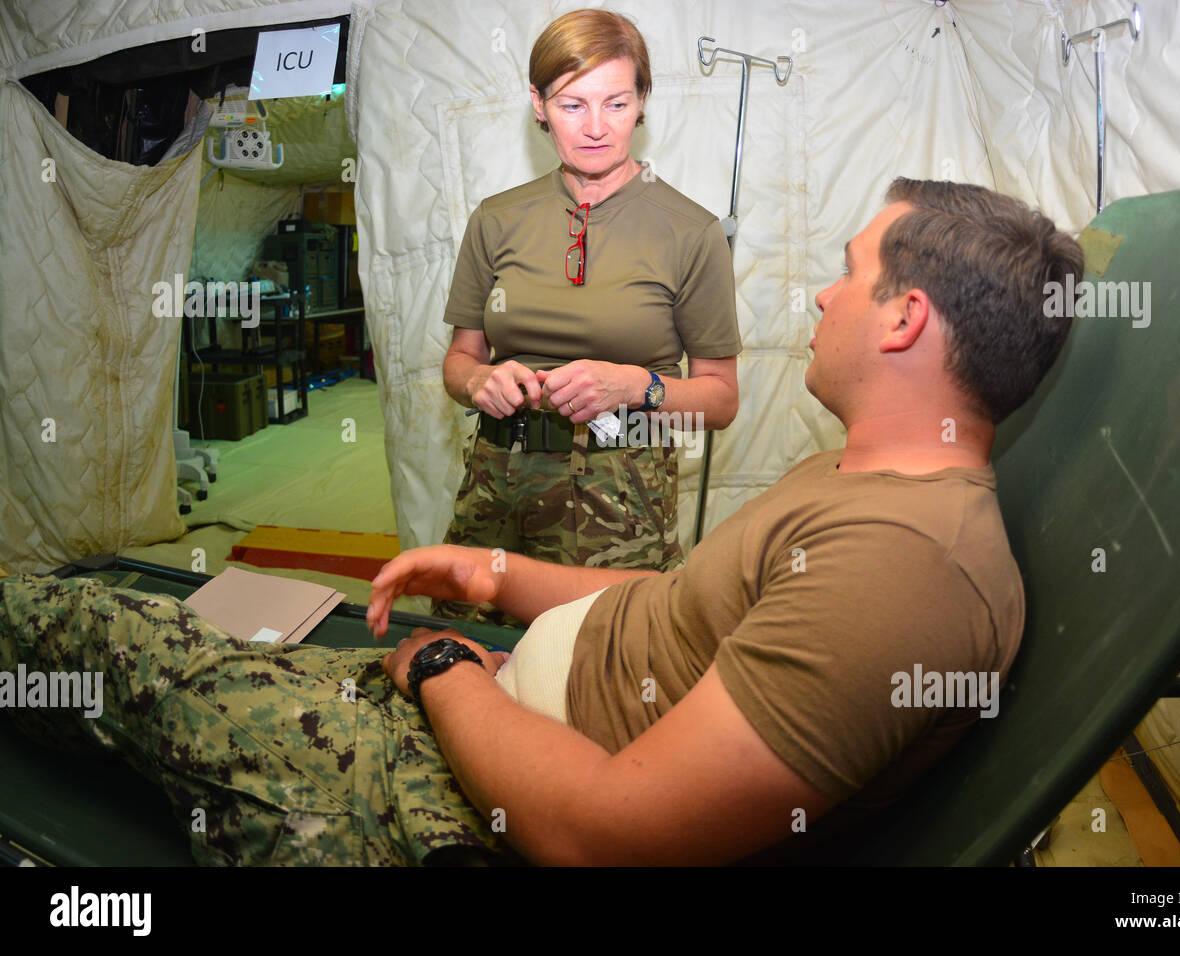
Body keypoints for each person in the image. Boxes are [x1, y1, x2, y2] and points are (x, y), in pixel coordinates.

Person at [0, 177, 1082, 865]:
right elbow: (668, 605)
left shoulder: (902, 574)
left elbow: (601, 828)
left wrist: (442, 670)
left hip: (469, 799)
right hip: (498, 705)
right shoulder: (856, 481)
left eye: (847, 275)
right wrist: (497, 574)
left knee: (116, 648)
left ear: (904, 318)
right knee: (154, 636)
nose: (819, 298)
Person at [437, 9, 741, 610]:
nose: (596, 127)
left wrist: (635, 386)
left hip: (621, 492)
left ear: (643, 101)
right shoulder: (496, 219)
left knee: (600, 670)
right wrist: (478, 381)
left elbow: (721, 399)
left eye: (616, 103)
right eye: (573, 104)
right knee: (465, 649)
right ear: (538, 104)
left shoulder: (691, 232)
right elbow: (459, 359)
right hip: (498, 479)